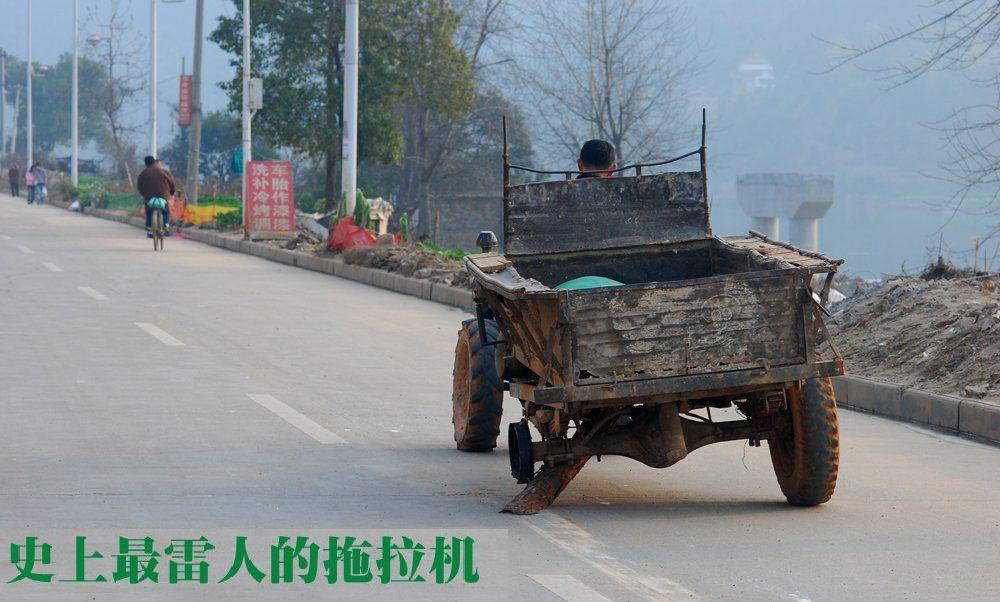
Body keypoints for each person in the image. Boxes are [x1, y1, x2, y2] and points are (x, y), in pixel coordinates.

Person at [136, 155, 175, 237]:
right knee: (166, 210)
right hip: (163, 195)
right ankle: (166, 225)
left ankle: (149, 227)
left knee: (148, 209)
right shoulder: (163, 171)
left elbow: (140, 186)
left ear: (146, 164)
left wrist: (144, 194)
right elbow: (171, 183)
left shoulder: (143, 173)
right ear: (154, 162)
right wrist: (171, 192)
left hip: (149, 197)